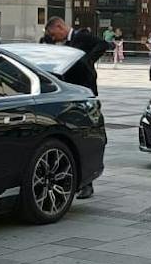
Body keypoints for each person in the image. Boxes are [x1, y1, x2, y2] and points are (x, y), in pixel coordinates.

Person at [41, 16, 108, 198]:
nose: (53, 38)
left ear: (60, 26)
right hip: (64, 92)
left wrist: (86, 60)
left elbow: (103, 45)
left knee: (84, 134)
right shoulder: (53, 42)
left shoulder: (82, 37)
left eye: (54, 33)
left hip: (84, 92)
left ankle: (87, 183)